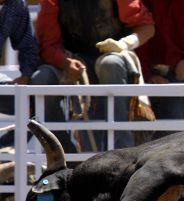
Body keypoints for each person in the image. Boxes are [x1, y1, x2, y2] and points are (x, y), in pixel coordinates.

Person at [32, 0, 155, 152]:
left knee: (110, 64)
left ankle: (123, 153)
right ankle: (63, 155)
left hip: (113, 57)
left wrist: (124, 44)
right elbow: (47, 45)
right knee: (41, 80)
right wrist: (64, 62)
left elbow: (147, 28)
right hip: (73, 59)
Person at [137, 0, 184, 139]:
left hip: (173, 76)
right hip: (140, 78)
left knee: (173, 141)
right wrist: (146, 75)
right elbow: (135, 29)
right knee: (140, 141)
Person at [0, 0, 39, 149]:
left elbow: (28, 46)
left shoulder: (15, 4)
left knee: (39, 107)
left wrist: (26, 76)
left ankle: (2, 153)